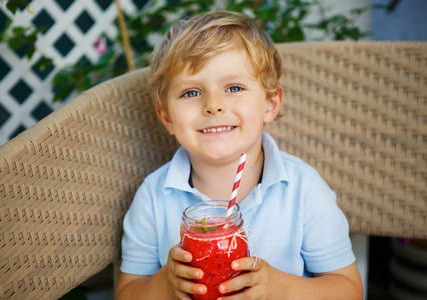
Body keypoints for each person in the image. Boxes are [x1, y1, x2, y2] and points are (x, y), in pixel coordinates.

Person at [115, 10, 363, 300]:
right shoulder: (154, 197)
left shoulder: (303, 189)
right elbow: (127, 294)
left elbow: (349, 290)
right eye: (191, 92)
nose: (213, 105)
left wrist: (277, 287)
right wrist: (164, 284)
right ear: (167, 117)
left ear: (270, 104)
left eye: (234, 87)